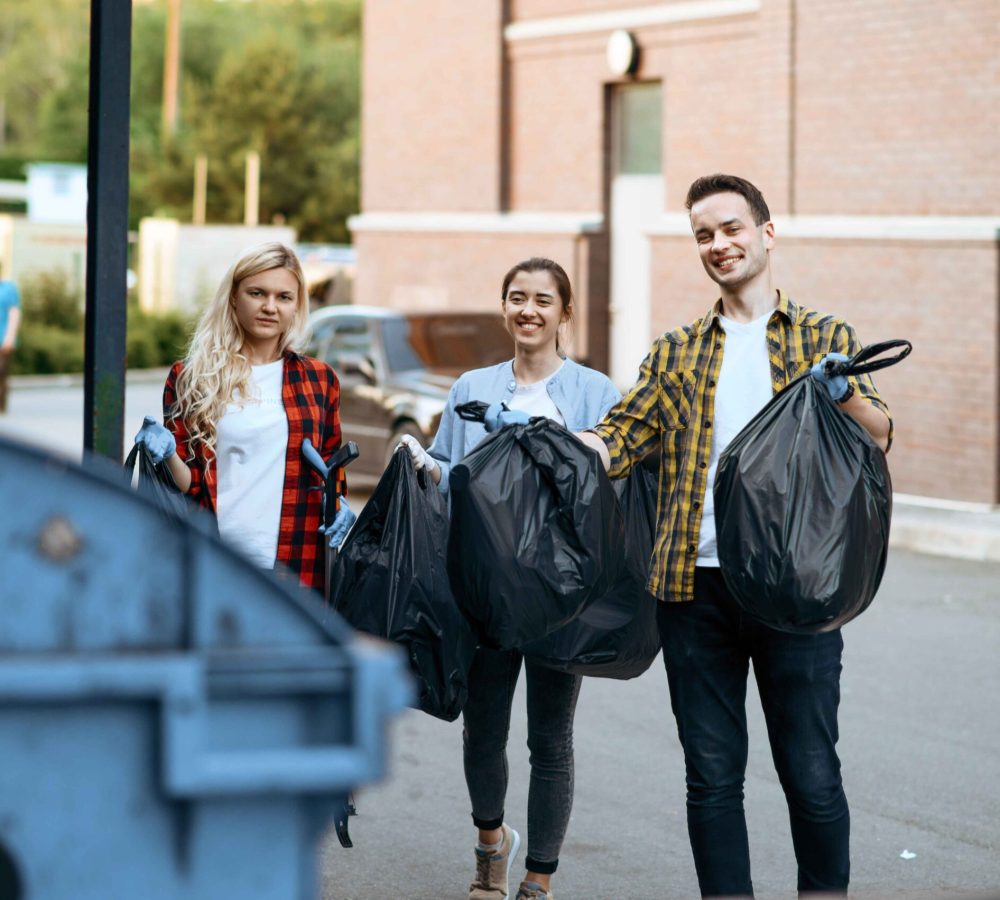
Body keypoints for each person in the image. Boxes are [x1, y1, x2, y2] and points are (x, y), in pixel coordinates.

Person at [569, 174, 893, 897]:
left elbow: (881, 434)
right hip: (696, 588)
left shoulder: (823, 337)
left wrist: (842, 392)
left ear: (766, 233)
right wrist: (556, 442)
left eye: (731, 228)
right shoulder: (677, 350)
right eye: (704, 236)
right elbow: (618, 439)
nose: (719, 244)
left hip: (797, 590)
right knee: (711, 777)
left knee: (810, 769)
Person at [399, 257, 620, 900]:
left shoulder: (595, 392)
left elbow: (606, 484)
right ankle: (490, 845)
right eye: (517, 298)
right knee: (485, 726)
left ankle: (538, 880)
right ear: (504, 308)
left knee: (550, 738)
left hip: (560, 596)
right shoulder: (473, 384)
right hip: (485, 592)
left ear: (564, 313)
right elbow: (446, 471)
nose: (529, 310)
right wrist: (420, 462)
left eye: (543, 300)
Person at [133, 241, 356, 590]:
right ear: (234, 297)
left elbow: (330, 470)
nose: (270, 307)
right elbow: (188, 483)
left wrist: (340, 504)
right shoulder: (191, 377)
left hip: (296, 565)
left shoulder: (320, 380)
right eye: (257, 293)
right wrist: (167, 453)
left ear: (297, 306)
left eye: (284, 297)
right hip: (214, 559)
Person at [0, 261, 21, 415]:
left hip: (3, 338)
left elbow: (14, 314)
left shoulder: (8, 289)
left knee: (1, 373)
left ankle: (1, 405)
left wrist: (10, 337)